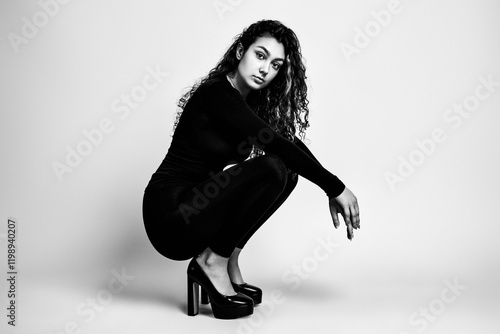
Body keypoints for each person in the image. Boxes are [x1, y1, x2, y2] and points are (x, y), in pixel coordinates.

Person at [142, 19, 360, 320]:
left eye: (275, 65)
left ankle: (227, 256)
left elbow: (289, 143)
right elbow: (277, 146)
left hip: (198, 202)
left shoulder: (247, 104)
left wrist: (330, 185)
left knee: (287, 172)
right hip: (170, 217)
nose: (265, 69)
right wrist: (335, 187)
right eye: (260, 55)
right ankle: (211, 261)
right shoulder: (218, 94)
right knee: (272, 166)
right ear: (241, 51)